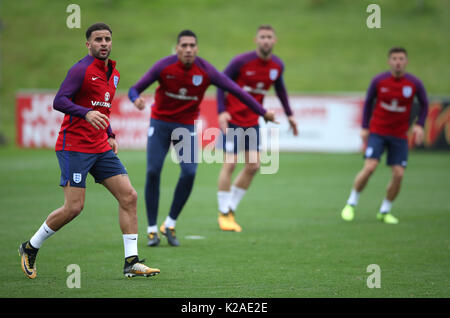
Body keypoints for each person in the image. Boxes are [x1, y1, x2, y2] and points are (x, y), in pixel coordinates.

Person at [18, 23, 160, 279]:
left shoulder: (113, 73)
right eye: (98, 40)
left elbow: (102, 110)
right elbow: (59, 100)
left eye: (107, 39)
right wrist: (85, 113)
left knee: (129, 196)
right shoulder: (81, 70)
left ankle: (131, 262)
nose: (104, 43)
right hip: (74, 147)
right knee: (74, 208)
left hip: (100, 146)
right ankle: (30, 247)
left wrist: (110, 134)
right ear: (88, 44)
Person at [128, 30, 277, 247]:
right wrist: (135, 99)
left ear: (197, 49)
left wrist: (263, 113)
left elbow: (237, 91)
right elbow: (134, 89)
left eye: (192, 46)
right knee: (153, 171)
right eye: (184, 45)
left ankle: (169, 223)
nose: (188, 49)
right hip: (160, 124)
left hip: (185, 127)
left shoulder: (206, 71)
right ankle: (152, 229)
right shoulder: (164, 66)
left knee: (189, 172)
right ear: (177, 48)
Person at [216, 25, 298, 232]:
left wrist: (290, 115)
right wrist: (221, 111)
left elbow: (280, 90)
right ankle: (223, 212)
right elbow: (219, 83)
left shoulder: (277, 65)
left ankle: (230, 208)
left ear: (275, 40)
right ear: (256, 40)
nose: (266, 41)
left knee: (253, 166)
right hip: (233, 118)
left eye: (269, 37)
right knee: (231, 164)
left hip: (253, 121)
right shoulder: (240, 62)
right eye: (262, 37)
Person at [341, 47, 429, 224]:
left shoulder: (414, 83)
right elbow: (368, 103)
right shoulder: (379, 81)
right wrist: (365, 127)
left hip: (399, 135)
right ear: (389, 61)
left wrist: (419, 125)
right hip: (378, 131)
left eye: (401, 58)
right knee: (370, 167)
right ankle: (351, 203)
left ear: (406, 62)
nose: (398, 62)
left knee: (398, 174)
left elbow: (425, 104)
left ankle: (385, 210)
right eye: (395, 58)